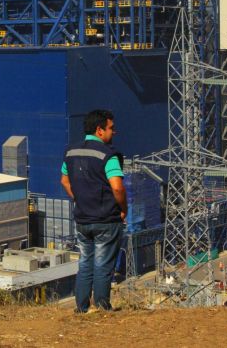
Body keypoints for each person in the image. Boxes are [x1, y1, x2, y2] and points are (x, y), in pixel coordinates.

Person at [60, 109, 127, 313]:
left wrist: (80, 198)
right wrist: (123, 209)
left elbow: (64, 181)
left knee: (86, 263)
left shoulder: (71, 152)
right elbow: (117, 187)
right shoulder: (109, 155)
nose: (113, 132)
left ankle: (81, 308)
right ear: (99, 130)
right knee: (103, 265)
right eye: (111, 128)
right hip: (106, 219)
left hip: (82, 219)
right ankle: (102, 307)